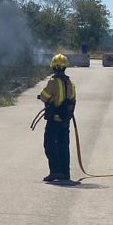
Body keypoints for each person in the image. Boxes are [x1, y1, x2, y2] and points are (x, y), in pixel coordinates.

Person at [38, 54, 77, 182]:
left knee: (49, 145)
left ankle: (55, 172)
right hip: (65, 121)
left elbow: (44, 96)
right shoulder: (70, 83)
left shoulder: (53, 82)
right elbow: (73, 100)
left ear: (54, 67)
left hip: (54, 120)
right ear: (65, 67)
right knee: (63, 145)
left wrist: (41, 96)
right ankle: (65, 172)